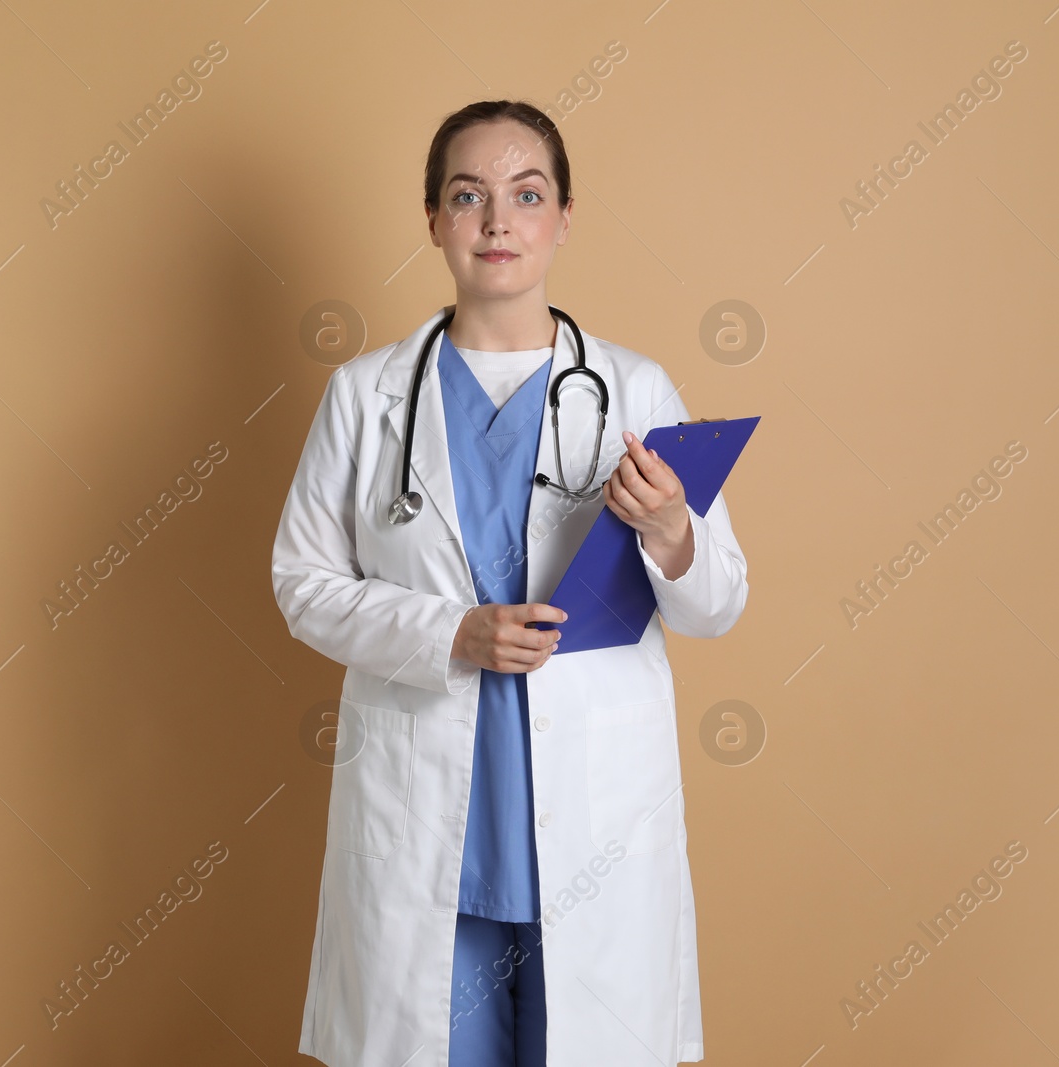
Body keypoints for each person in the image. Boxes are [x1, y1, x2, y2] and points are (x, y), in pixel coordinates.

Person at [272, 99, 749, 1067]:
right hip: (429, 823)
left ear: (564, 216)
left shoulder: (634, 390)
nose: (498, 221)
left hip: (594, 819)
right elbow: (301, 582)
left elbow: (720, 602)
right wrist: (452, 632)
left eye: (526, 195)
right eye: (469, 195)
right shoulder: (365, 397)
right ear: (435, 220)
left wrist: (669, 528)